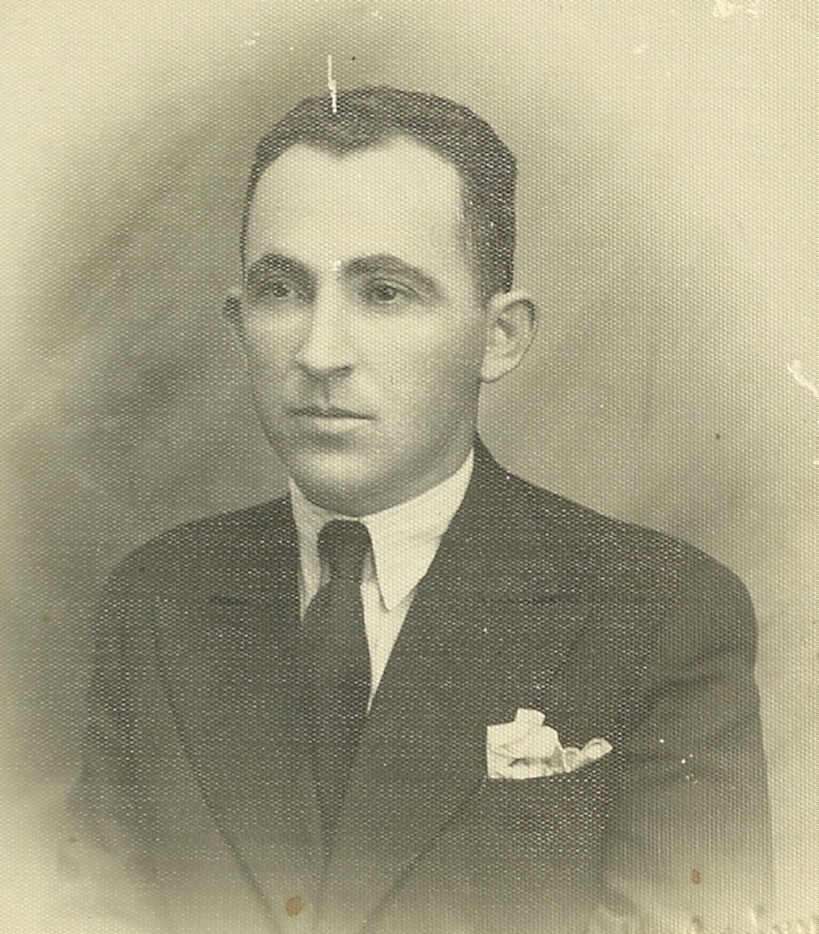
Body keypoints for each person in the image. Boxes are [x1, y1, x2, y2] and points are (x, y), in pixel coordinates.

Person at [63, 87, 771, 934]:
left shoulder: (659, 612)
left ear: (499, 337)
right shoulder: (158, 599)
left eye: (385, 292)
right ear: (237, 321)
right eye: (282, 289)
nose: (320, 353)